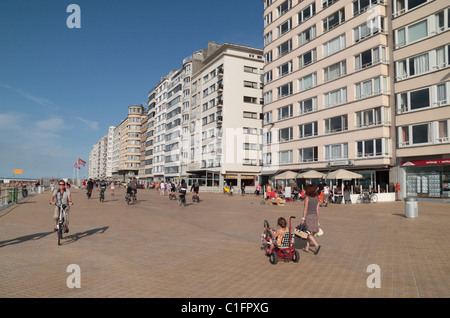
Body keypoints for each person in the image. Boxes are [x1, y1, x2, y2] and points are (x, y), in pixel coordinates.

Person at [301, 184, 321, 254]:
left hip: (308, 216)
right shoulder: (316, 198)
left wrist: (303, 218)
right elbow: (317, 209)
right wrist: (317, 218)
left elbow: (305, 209)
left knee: (307, 232)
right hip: (315, 216)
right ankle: (307, 248)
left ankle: (316, 245)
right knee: (310, 233)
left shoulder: (307, 198)